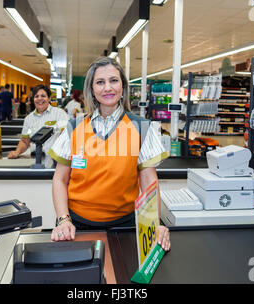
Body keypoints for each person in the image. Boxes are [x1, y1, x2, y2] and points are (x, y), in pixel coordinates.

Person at [47, 57, 171, 252]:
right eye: (100, 82)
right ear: (92, 89)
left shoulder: (142, 128)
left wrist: (154, 224)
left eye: (114, 80)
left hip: (125, 226)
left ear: (123, 86)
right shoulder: (74, 127)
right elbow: (60, 179)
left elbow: (149, 182)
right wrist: (63, 220)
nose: (107, 88)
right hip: (76, 226)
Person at [7, 84, 69, 167]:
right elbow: (25, 141)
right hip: (35, 161)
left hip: (55, 161)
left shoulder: (59, 114)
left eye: (43, 96)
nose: (39, 99)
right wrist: (17, 152)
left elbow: (67, 136)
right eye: (36, 96)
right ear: (33, 99)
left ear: (49, 98)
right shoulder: (29, 119)